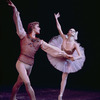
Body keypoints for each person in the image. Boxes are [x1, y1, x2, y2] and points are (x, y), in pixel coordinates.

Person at [7, 1, 73, 100]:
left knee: (18, 83)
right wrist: (14, 9)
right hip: (21, 63)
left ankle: (13, 97)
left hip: (30, 65)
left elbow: (52, 49)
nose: (40, 28)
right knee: (27, 83)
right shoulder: (23, 35)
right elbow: (18, 22)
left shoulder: (39, 41)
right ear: (33, 27)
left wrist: (65, 55)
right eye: (38, 26)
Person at [47, 12, 85, 100]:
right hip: (60, 55)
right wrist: (56, 19)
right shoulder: (64, 38)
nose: (71, 31)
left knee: (64, 77)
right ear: (68, 33)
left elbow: (80, 56)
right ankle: (43, 45)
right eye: (70, 30)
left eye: (73, 31)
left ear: (74, 34)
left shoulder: (75, 44)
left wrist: (74, 58)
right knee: (52, 48)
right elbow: (59, 28)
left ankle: (60, 95)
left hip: (68, 59)